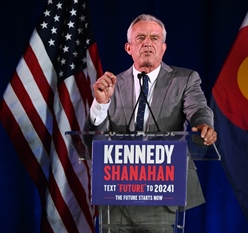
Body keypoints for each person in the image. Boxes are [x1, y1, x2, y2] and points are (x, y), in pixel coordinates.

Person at [85, 13, 217, 233]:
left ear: (163, 47)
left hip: (162, 190)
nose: (147, 43)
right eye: (141, 38)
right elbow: (94, 140)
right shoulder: (111, 85)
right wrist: (101, 104)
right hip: (117, 191)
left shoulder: (184, 79)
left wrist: (203, 124)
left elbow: (198, 108)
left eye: (154, 38)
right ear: (129, 48)